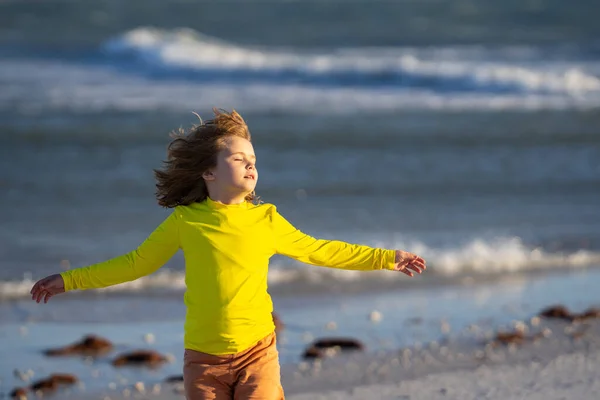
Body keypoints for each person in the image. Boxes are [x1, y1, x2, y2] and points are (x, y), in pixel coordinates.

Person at [30, 109, 426, 400]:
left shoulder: (266, 219)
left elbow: (319, 250)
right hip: (203, 360)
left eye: (253, 161)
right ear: (209, 172)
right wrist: (70, 279)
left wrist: (384, 257)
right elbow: (135, 264)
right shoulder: (186, 221)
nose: (251, 166)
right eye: (239, 159)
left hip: (258, 349)